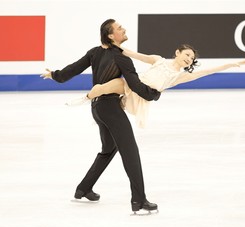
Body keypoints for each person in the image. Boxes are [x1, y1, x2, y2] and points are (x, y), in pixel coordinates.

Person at [41, 19, 161, 214]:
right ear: (111, 35)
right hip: (110, 108)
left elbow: (70, 71)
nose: (124, 29)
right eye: (119, 28)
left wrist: (55, 75)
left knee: (109, 149)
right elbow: (136, 85)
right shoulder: (121, 57)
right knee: (130, 152)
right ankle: (139, 200)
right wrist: (154, 94)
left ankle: (84, 188)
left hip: (97, 108)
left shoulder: (94, 52)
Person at [66, 44, 245, 128]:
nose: (189, 59)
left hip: (142, 97)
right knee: (102, 87)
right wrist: (115, 47)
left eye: (191, 58)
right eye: (186, 54)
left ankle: (102, 118)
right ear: (177, 52)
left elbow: (206, 72)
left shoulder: (180, 76)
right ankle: (85, 99)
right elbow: (136, 55)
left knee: (114, 113)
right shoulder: (158, 60)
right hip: (133, 84)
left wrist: (229, 65)